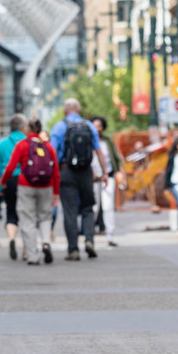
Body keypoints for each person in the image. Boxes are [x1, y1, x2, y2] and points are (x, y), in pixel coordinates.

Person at [49, 98, 108, 260]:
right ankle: (89, 241)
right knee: (88, 208)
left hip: (66, 171)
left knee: (70, 211)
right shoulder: (89, 126)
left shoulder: (60, 127)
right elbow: (99, 151)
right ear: (79, 109)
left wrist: (53, 175)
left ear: (65, 110)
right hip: (86, 172)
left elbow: (52, 152)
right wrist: (104, 173)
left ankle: (73, 249)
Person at [0, 119, 59, 265]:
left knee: (27, 219)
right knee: (45, 217)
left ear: (27, 129)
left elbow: (11, 166)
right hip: (46, 186)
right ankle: (46, 242)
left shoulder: (23, 145)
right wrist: (56, 192)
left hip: (26, 185)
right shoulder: (47, 146)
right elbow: (56, 171)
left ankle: (32, 255)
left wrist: (3, 181)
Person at [90, 116, 127, 247]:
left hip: (108, 177)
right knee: (93, 207)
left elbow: (116, 159)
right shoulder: (88, 141)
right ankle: (90, 236)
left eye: (99, 126)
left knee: (108, 207)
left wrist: (120, 173)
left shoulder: (107, 141)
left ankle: (110, 235)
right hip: (93, 178)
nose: (97, 128)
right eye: (94, 125)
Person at [0, 114, 27, 260]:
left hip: (8, 181)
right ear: (22, 127)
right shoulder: (28, 142)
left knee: (11, 212)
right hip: (26, 181)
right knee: (27, 215)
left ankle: (12, 239)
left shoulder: (1, 144)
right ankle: (27, 248)